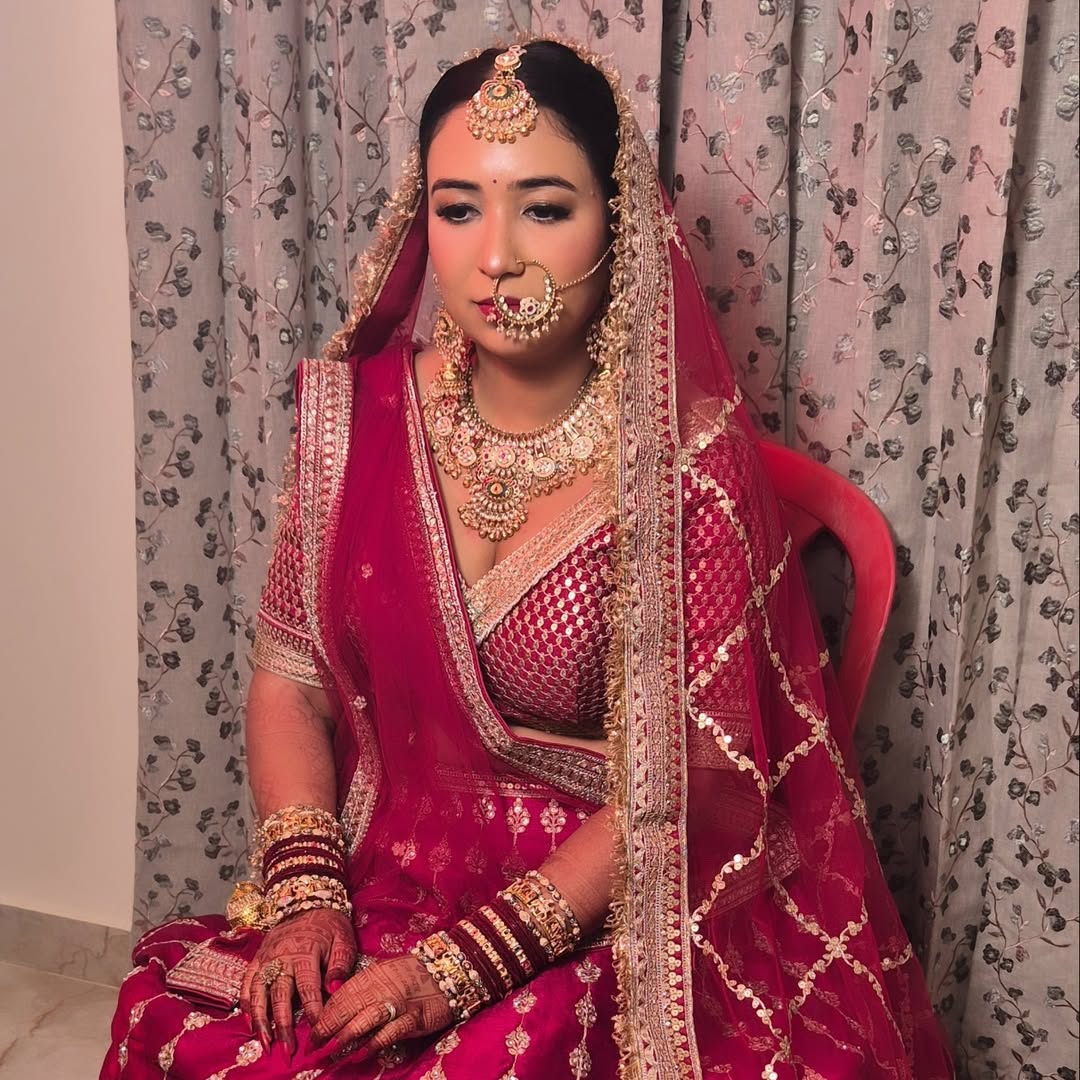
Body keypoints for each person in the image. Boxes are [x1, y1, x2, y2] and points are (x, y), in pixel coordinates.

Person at [100, 38, 954, 1080]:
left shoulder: (685, 468)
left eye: (543, 209)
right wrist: (308, 897)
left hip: (610, 905)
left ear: (620, 223)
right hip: (394, 869)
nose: (495, 257)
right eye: (458, 209)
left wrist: (463, 967)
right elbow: (290, 683)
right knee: (176, 1022)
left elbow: (692, 786)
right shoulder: (362, 420)